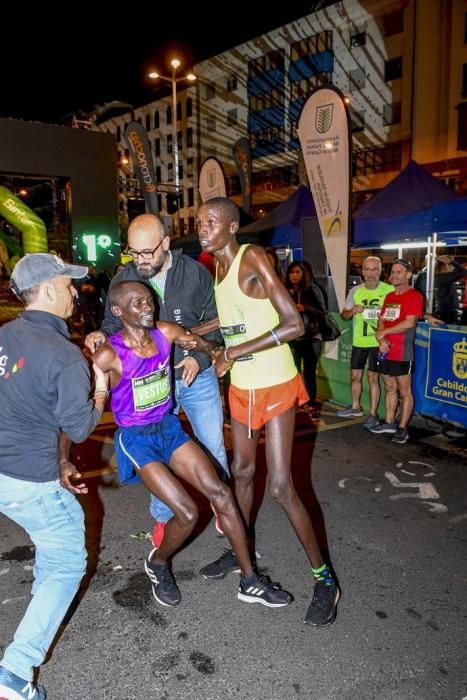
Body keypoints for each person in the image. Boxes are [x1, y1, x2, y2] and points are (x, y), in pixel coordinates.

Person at [92, 279, 291, 609]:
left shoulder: (165, 333)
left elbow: (194, 340)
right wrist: (67, 449)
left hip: (168, 429)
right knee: (186, 512)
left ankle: (250, 581)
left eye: (149, 301)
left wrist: (212, 353)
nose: (148, 307)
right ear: (117, 310)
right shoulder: (108, 354)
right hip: (137, 440)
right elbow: (87, 395)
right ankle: (157, 563)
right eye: (137, 303)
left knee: (222, 493)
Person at [193, 197, 340, 626]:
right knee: (240, 473)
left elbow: (293, 323)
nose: (203, 227)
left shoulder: (250, 257)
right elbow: (233, 321)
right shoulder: (217, 269)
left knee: (279, 486)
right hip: (242, 389)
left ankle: (324, 579)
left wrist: (233, 352)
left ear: (233, 226)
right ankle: (241, 550)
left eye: (212, 221)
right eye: (200, 221)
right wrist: (188, 335)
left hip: (274, 383)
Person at [0, 253, 108, 700]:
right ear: (46, 290)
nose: (73, 292)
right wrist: (100, 382)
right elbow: (81, 427)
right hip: (30, 483)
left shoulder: (5, 335)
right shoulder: (66, 356)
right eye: (66, 285)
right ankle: (14, 676)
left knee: (54, 551)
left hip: (5, 473)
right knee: (66, 563)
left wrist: (58, 458)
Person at [85, 214, 228, 547]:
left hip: (196, 377)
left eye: (146, 252)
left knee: (213, 446)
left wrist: (200, 357)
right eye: (134, 253)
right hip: (149, 382)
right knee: (160, 454)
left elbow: (217, 323)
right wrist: (98, 336)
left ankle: (222, 505)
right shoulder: (125, 277)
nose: (140, 260)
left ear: (166, 243)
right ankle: (164, 518)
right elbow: (111, 325)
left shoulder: (196, 273)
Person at [368, 258, 424, 444]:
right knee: (389, 387)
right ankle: (390, 422)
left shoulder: (414, 296)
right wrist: (381, 337)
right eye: (393, 272)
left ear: (409, 275)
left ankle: (402, 428)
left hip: (402, 352)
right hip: (385, 350)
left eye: (399, 272)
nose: (394, 275)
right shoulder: (390, 297)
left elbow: (409, 322)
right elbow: (382, 319)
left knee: (404, 391)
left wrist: (383, 332)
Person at [338, 256, 394, 429]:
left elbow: (395, 315)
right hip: (359, 341)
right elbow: (344, 315)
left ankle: (373, 414)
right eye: (367, 269)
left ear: (380, 271)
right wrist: (353, 310)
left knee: (372, 378)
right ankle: (355, 407)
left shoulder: (390, 290)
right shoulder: (356, 291)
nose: (370, 273)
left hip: (378, 341)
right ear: (362, 271)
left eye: (374, 269)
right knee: (355, 376)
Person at [285, 261, 326, 420]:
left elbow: (323, 312)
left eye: (297, 272)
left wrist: (305, 308)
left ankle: (311, 404)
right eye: (291, 273)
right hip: (292, 338)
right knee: (292, 373)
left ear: (305, 273)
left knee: (309, 373)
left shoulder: (313, 289)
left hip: (311, 337)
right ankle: (294, 403)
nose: (294, 276)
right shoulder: (285, 291)